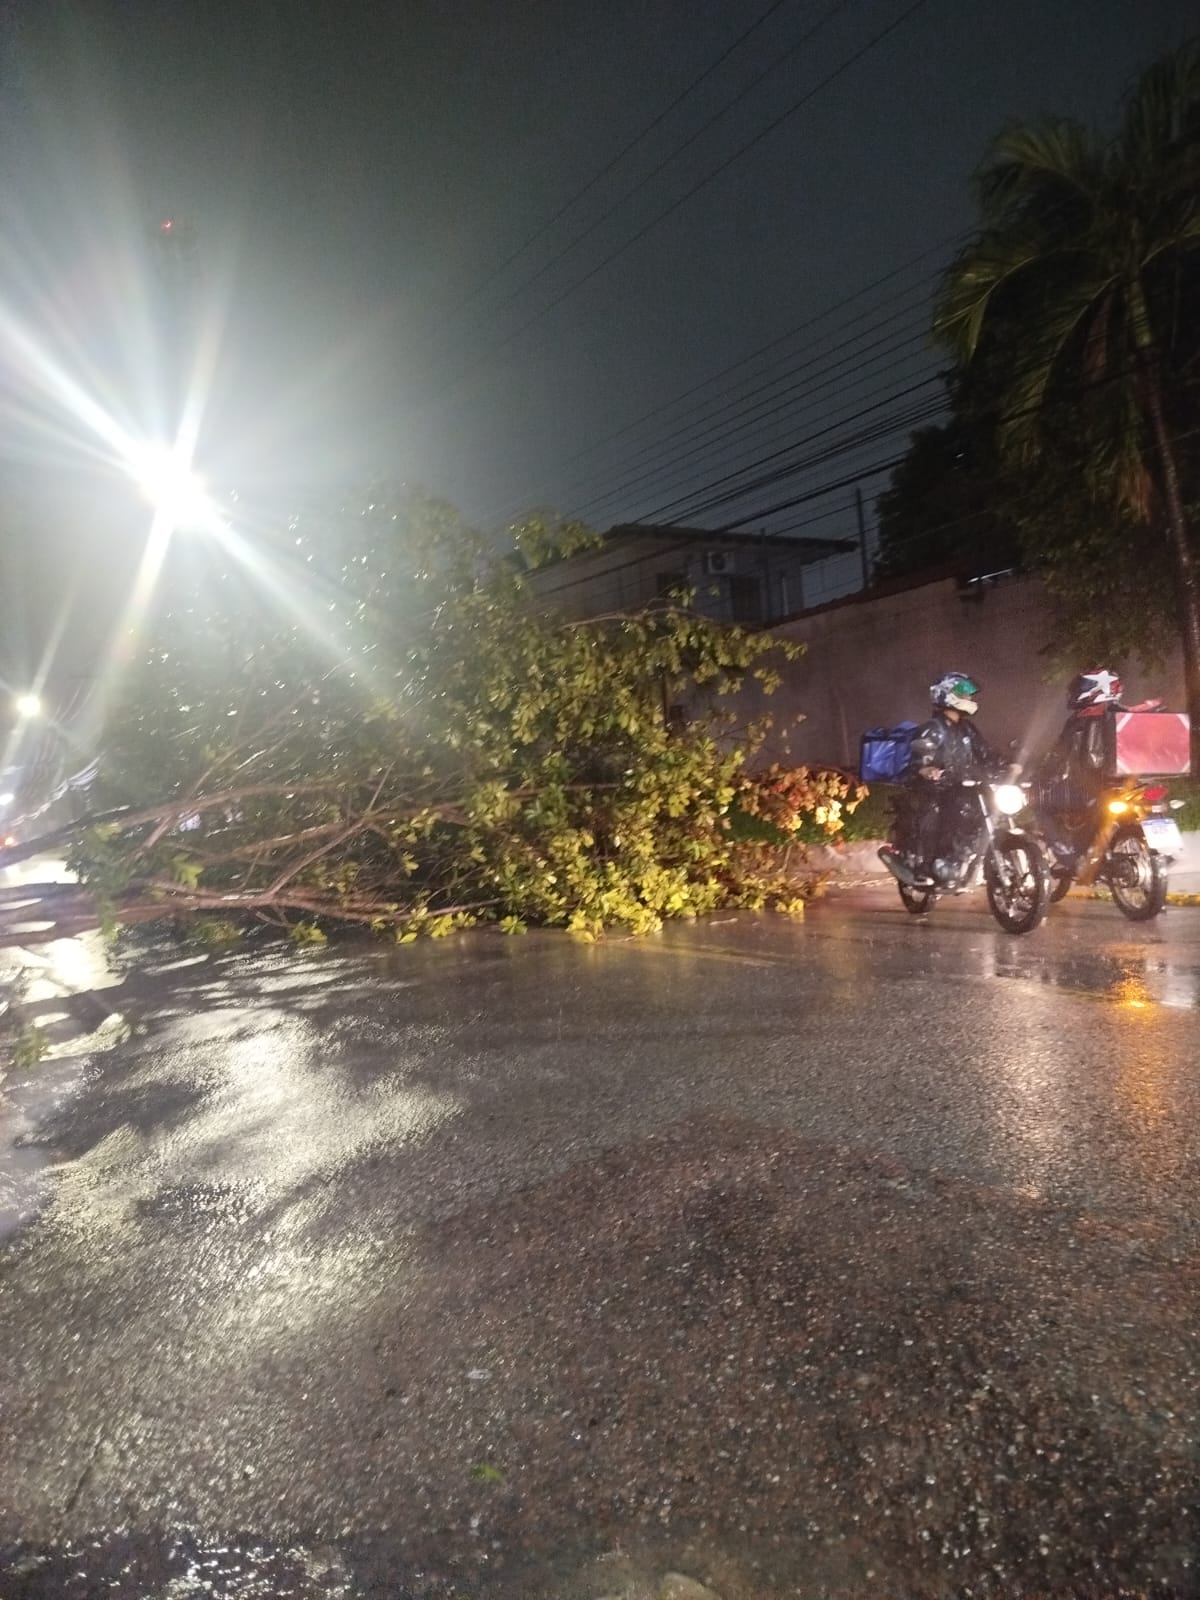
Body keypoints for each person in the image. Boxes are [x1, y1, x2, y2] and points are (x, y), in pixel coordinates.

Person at [903, 670, 1008, 885]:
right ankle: (925, 865)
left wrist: (1008, 765)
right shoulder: (933, 728)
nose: (969, 698)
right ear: (946, 695)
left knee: (987, 809)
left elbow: (985, 753)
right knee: (935, 811)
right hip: (937, 787)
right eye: (964, 693)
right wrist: (927, 769)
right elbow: (918, 758)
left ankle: (962, 857)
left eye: (969, 694)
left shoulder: (967, 728)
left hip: (964, 785)